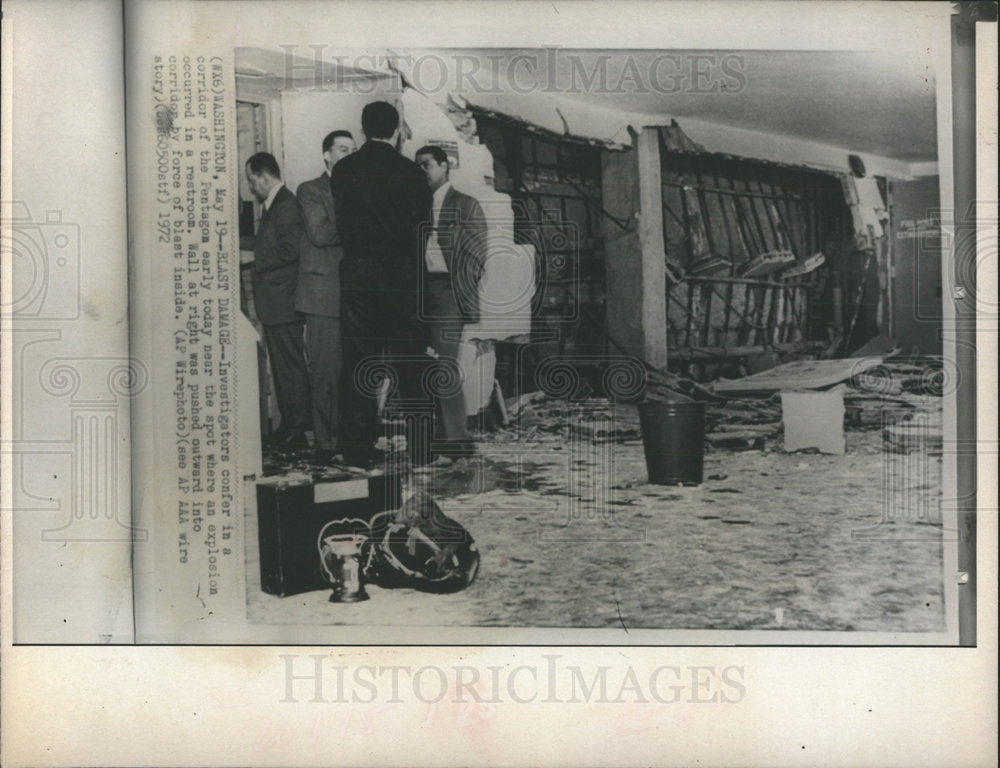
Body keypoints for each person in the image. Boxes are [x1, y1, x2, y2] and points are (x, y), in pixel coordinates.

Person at [330, 101, 433, 469]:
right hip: (404, 278)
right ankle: (422, 448)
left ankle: (357, 449)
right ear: (397, 130)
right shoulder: (412, 173)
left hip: (359, 277)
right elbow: (422, 230)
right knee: (412, 362)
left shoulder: (343, 170)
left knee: (359, 362)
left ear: (362, 129)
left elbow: (343, 224)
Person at [415, 145, 487, 462]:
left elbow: (478, 252)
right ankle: (440, 437)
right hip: (420, 291)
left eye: (427, 165)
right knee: (426, 366)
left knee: (445, 364)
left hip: (447, 291)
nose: (422, 171)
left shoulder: (466, 204)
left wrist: (461, 285)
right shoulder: (415, 206)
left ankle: (457, 439)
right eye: (417, 166)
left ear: (445, 166)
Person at [295, 130, 356, 461]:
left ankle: (349, 441)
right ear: (327, 156)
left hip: (354, 296)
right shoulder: (310, 190)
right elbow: (319, 233)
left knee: (352, 374)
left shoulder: (359, 190)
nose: (349, 155)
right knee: (325, 374)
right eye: (343, 150)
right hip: (322, 297)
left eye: (353, 150)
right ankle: (325, 445)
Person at [245, 152, 311, 447]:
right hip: (276, 304)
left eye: (251, 180)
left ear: (264, 176)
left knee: (290, 368)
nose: (251, 188)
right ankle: (291, 425)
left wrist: (252, 257)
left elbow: (290, 250)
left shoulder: (286, 204)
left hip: (284, 303)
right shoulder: (275, 205)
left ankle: (297, 429)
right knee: (284, 369)